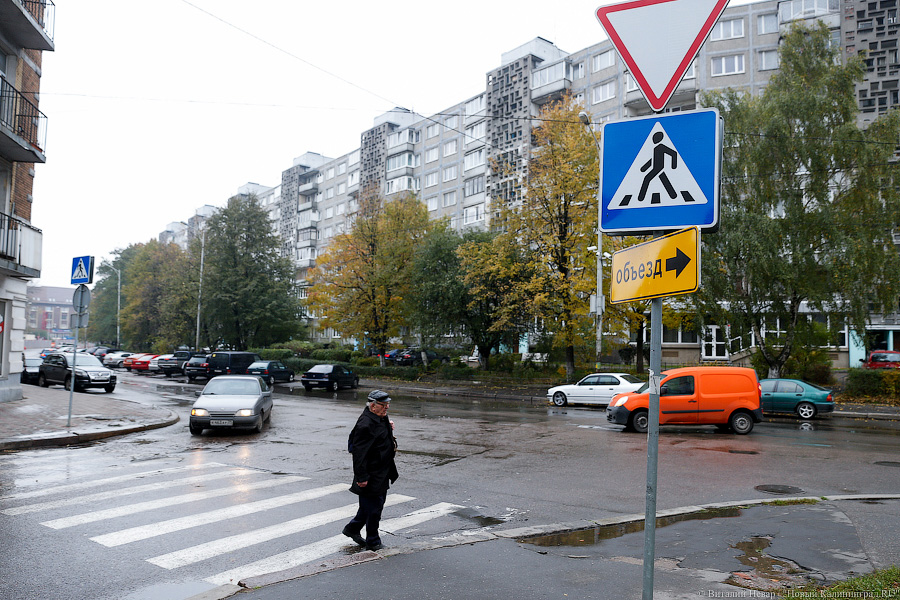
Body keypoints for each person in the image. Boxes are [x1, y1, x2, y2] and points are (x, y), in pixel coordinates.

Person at [342, 389, 398, 551]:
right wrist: (361, 477)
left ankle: (352, 529)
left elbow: (380, 434)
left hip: (382, 472)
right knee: (374, 509)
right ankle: (373, 541)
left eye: (388, 404)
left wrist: (388, 425)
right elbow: (358, 454)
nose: (387, 407)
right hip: (370, 474)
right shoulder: (365, 424)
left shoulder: (379, 418)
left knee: (371, 506)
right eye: (383, 405)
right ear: (373, 406)